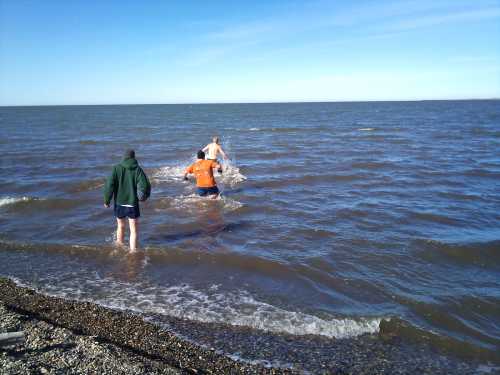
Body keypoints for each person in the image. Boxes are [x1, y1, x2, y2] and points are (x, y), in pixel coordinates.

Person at [104, 149, 151, 252]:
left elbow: (109, 186)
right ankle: (133, 252)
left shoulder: (116, 169)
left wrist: (107, 200)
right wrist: (144, 196)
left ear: (124, 157)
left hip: (119, 203)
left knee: (120, 226)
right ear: (134, 157)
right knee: (133, 230)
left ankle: (119, 247)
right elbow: (145, 185)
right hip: (132, 204)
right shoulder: (138, 170)